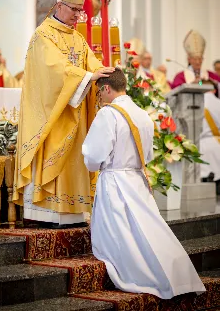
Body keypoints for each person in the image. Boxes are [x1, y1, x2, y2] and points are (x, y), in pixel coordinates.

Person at [13, 0, 114, 229]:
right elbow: (54, 72)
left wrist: (103, 71)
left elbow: (90, 63)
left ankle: (72, 212)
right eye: (73, 10)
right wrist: (84, 77)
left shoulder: (77, 38)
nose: (77, 17)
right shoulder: (42, 36)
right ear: (59, 5)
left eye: (81, 12)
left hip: (74, 115)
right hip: (51, 117)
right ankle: (46, 212)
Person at [82, 68, 206, 299]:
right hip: (137, 179)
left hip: (115, 182)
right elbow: (147, 155)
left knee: (125, 237)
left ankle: (147, 276)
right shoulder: (142, 114)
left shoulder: (108, 114)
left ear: (107, 88)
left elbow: (94, 156)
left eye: (100, 92)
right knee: (149, 230)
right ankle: (177, 275)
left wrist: (92, 162)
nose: (99, 97)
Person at [200, 80, 220, 194]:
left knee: (206, 183)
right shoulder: (218, 103)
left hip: (201, 146)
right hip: (217, 143)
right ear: (214, 89)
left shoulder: (196, 102)